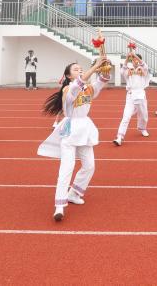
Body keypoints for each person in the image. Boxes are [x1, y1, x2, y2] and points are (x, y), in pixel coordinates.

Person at [38, 59, 110, 221]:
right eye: (76, 69)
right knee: (66, 169)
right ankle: (59, 206)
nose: (80, 70)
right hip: (70, 131)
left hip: (85, 129)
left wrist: (105, 68)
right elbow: (79, 83)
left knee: (89, 166)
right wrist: (95, 67)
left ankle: (74, 193)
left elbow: (101, 81)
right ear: (69, 76)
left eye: (81, 68)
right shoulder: (68, 89)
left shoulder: (88, 88)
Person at [113, 52, 150, 145]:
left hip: (141, 95)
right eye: (133, 60)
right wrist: (127, 58)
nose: (135, 61)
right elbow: (122, 70)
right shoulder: (128, 70)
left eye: (137, 60)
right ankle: (119, 137)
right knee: (126, 116)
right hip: (131, 95)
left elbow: (143, 64)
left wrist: (135, 55)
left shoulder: (144, 69)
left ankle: (142, 128)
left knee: (143, 115)